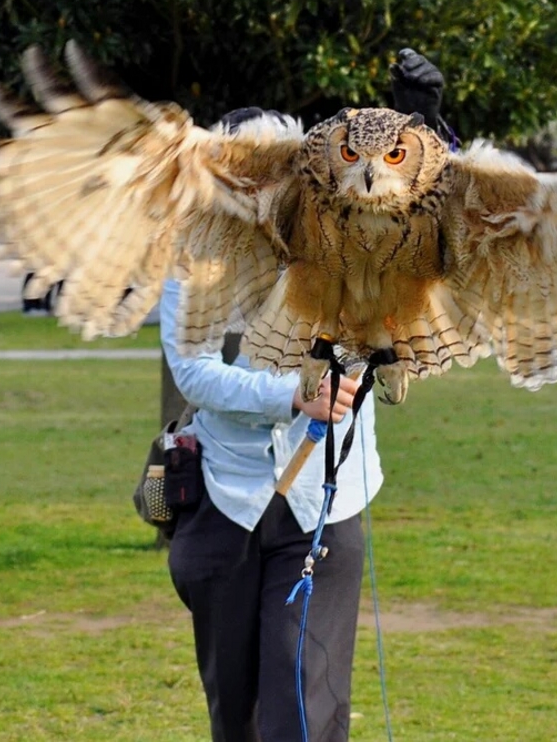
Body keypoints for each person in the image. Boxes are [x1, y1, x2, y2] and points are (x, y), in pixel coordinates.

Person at [162, 51, 449, 742]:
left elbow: (436, 217)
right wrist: (294, 397)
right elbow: (193, 371)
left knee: (303, 702)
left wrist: (427, 124)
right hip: (227, 502)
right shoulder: (194, 255)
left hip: (324, 502)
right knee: (236, 708)